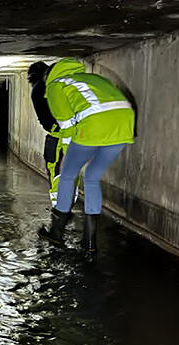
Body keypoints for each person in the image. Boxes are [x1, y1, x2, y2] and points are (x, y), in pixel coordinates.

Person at [37, 58, 135, 259]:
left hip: (94, 124)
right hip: (124, 124)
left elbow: (66, 127)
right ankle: (89, 241)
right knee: (92, 177)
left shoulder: (55, 85)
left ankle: (56, 233)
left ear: (49, 76)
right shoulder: (90, 78)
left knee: (67, 175)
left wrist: (65, 156)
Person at [27, 61, 64, 207]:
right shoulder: (56, 85)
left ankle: (58, 207)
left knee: (53, 169)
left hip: (57, 135)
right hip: (73, 133)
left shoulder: (39, 89)